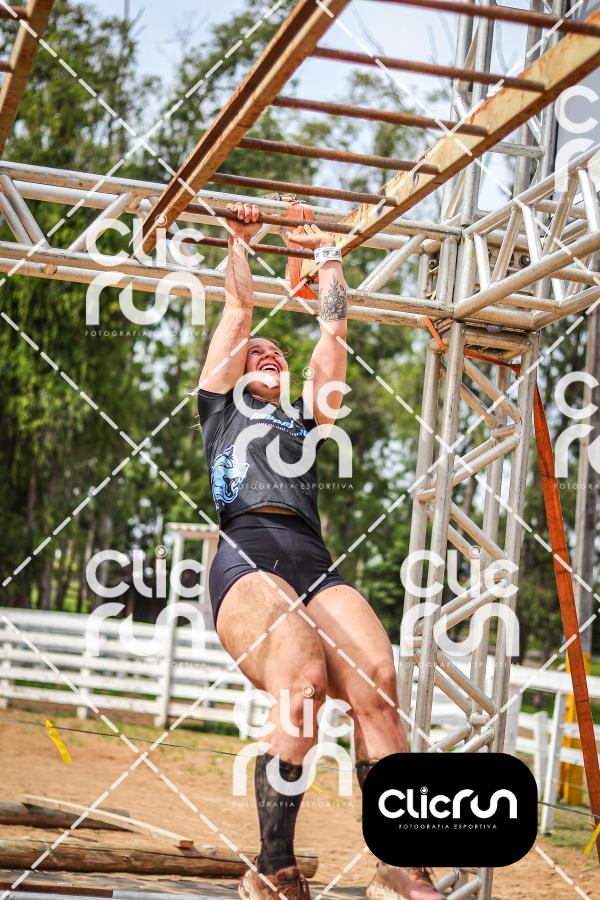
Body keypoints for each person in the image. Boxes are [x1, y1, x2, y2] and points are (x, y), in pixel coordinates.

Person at [196, 201, 443, 900]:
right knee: (302, 684)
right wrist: (240, 244)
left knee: (378, 683)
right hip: (246, 554)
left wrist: (328, 256)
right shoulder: (219, 407)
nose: (268, 352)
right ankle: (273, 866)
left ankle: (400, 864)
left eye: (277, 351)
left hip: (311, 556)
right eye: (257, 353)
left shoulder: (303, 419)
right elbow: (239, 314)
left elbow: (333, 330)